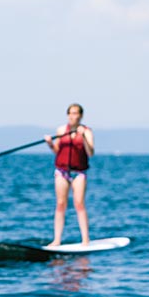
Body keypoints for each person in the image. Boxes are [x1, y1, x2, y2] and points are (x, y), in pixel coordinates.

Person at [44, 103, 95, 246]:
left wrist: (83, 136)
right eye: (71, 113)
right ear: (68, 115)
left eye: (76, 113)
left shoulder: (87, 131)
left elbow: (90, 152)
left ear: (81, 115)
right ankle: (57, 240)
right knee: (61, 204)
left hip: (79, 172)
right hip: (62, 171)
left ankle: (85, 239)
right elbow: (56, 150)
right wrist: (49, 143)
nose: (74, 116)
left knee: (79, 203)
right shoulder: (61, 130)